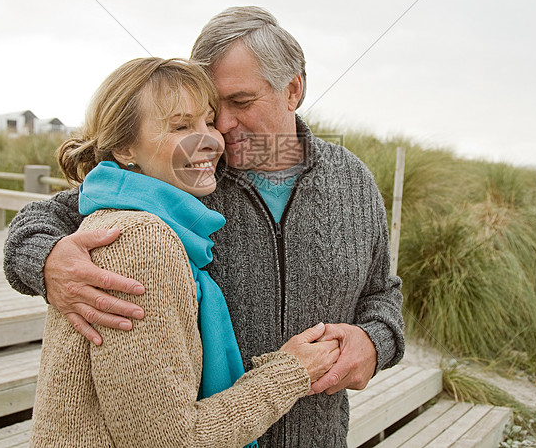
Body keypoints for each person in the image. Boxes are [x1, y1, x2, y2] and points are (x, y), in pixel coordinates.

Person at [5, 6, 405, 448]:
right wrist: (46, 260)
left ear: (293, 90)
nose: (222, 127)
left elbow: (381, 293)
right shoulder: (186, 176)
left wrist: (374, 342)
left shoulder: (354, 181)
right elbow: (52, 215)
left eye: (241, 102)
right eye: (213, 110)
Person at [29, 57, 340, 447]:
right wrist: (292, 372)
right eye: (181, 126)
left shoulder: (132, 214)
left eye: (208, 121)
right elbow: (169, 440)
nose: (211, 138)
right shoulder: (141, 243)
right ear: (126, 147)